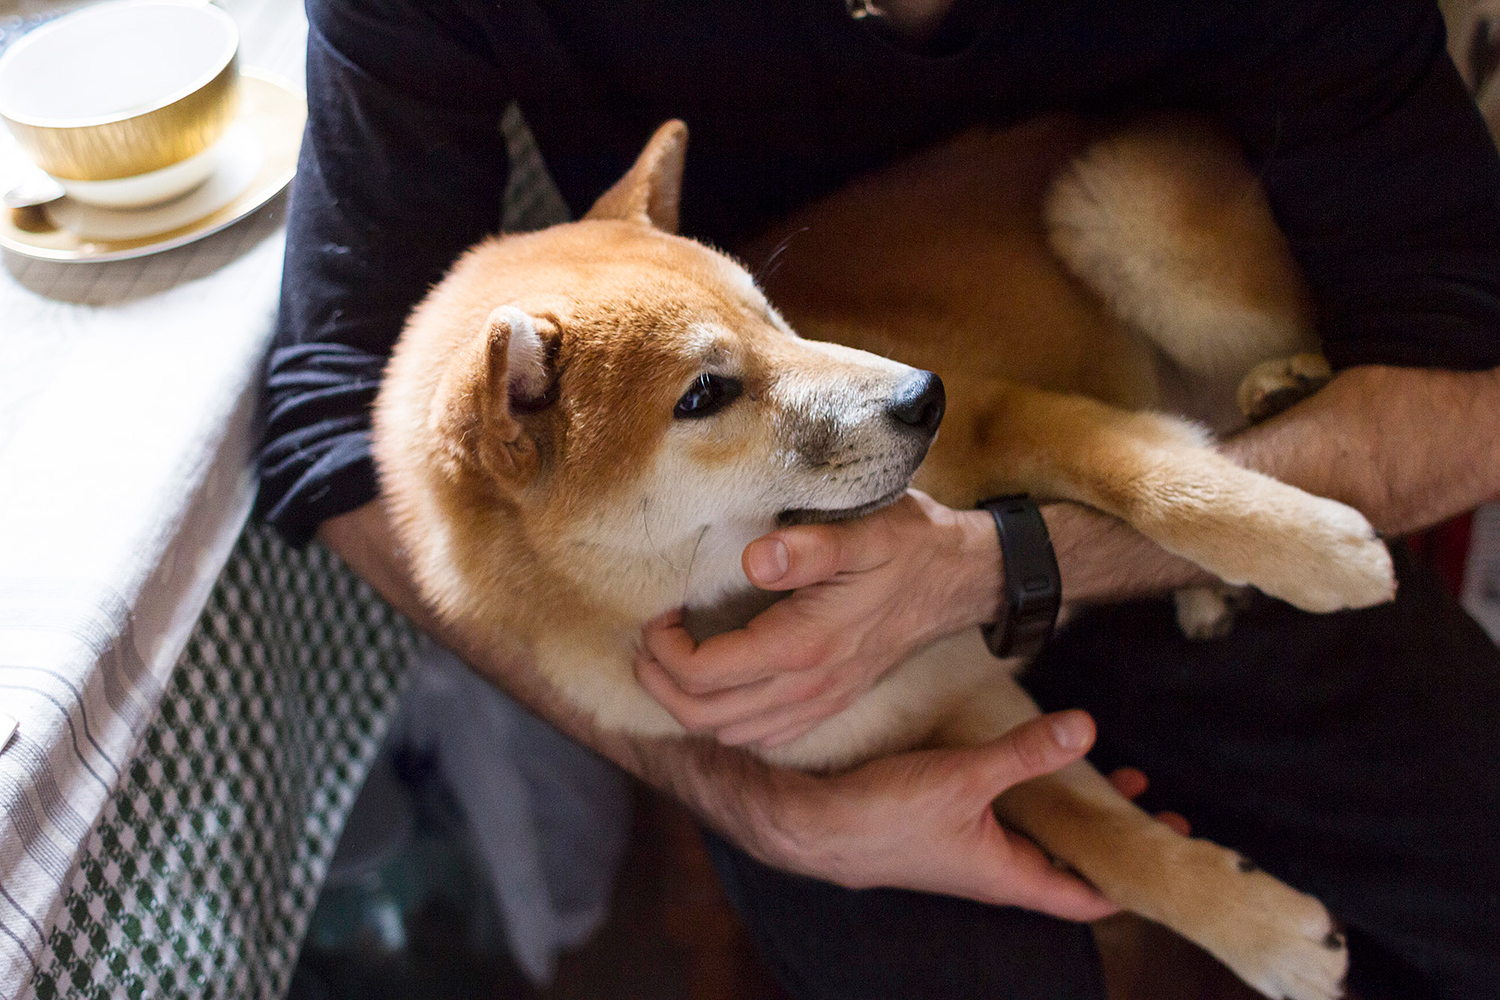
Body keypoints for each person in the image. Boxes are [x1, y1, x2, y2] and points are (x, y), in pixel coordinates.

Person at [256, 1, 1500, 997]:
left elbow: (1476, 384)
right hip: (800, 625)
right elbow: (328, 409)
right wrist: (760, 804)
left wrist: (1000, 564)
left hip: (1206, 478)